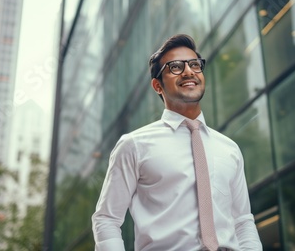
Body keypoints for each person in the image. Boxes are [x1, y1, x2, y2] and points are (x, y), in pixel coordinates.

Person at [92, 34, 262, 250]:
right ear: (157, 86)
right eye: (175, 67)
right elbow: (107, 219)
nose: (189, 71)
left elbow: (243, 221)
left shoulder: (229, 149)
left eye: (194, 65)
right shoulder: (134, 145)